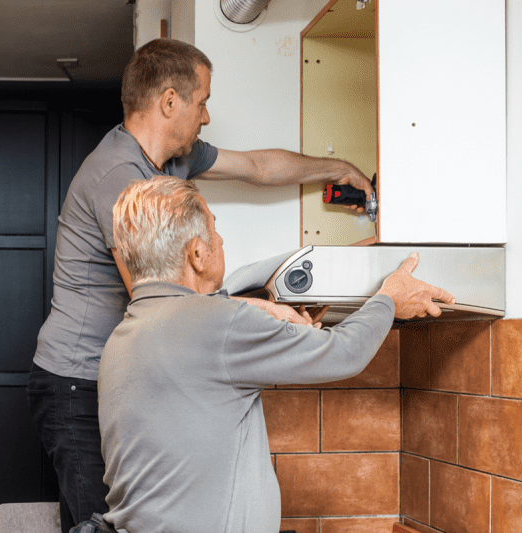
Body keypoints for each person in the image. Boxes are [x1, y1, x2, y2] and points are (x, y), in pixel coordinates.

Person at [27, 38, 378, 532]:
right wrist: (262, 312)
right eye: (203, 101)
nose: (208, 116)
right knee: (105, 524)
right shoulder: (121, 178)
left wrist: (337, 168)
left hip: (124, 373)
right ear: (170, 101)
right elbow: (156, 301)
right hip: (76, 382)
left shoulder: (171, 163)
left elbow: (258, 167)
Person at [94, 177, 454, 533]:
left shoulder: (122, 338)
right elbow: (344, 354)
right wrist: (389, 299)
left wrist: (281, 326)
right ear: (197, 254)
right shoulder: (216, 324)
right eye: (213, 231)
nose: (219, 240)